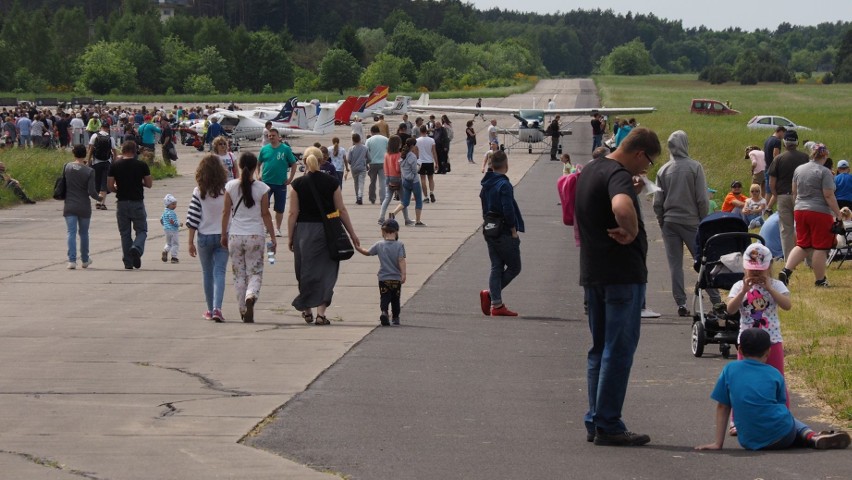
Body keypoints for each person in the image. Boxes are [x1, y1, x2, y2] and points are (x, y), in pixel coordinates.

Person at [576, 127, 660, 447]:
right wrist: (633, 229)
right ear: (639, 153)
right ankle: (609, 422)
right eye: (648, 162)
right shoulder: (619, 174)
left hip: (594, 272)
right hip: (621, 276)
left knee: (599, 348)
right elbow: (621, 208)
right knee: (619, 350)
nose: (645, 169)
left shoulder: (591, 170)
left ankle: (595, 418)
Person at [695, 328, 850, 451]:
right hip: (783, 436)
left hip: (749, 441)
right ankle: (811, 436)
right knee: (789, 422)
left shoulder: (729, 370)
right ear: (769, 351)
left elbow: (723, 406)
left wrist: (718, 443)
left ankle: (809, 438)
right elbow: (781, 406)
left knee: (783, 425)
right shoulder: (774, 373)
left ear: (740, 349)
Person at [288, 147, 360, 326]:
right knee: (327, 272)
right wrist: (352, 234)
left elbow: (293, 213)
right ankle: (321, 313)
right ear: (322, 161)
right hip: (327, 231)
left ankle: (306, 310)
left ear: (304, 161)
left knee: (304, 270)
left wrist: (290, 237)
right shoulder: (331, 182)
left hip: (304, 232)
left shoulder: (297, 185)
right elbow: (341, 210)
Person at [653, 130, 713, 317]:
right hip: (691, 221)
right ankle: (716, 300)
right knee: (704, 261)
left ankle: (681, 302)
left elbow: (657, 202)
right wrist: (704, 220)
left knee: (675, 264)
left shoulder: (663, 170)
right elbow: (702, 198)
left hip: (670, 221)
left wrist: (662, 220)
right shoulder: (695, 167)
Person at [221, 152, 276, 323]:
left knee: (239, 274)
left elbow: (225, 212)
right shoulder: (262, 188)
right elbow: (266, 214)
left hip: (235, 234)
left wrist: (224, 234)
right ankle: (251, 295)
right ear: (255, 167)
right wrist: (273, 237)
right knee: (255, 272)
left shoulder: (230, 186)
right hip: (255, 235)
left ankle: (243, 310)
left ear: (239, 166)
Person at [778, 143, 843, 287]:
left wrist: (798, 207)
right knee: (821, 247)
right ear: (825, 155)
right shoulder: (824, 172)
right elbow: (828, 195)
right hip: (819, 212)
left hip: (800, 210)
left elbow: (794, 192)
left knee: (803, 244)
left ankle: (786, 271)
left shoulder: (799, 169)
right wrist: (838, 214)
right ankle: (820, 280)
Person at [478, 151, 524, 317]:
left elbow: (483, 205)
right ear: (506, 164)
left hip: (490, 228)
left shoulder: (486, 183)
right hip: (503, 229)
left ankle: (496, 304)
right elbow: (508, 209)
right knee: (514, 267)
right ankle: (492, 295)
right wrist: (513, 230)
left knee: (496, 266)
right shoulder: (504, 185)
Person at [186, 155, 230, 323]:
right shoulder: (226, 190)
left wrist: (190, 242)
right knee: (220, 272)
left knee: (207, 273)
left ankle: (210, 309)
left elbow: (193, 218)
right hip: (223, 235)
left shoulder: (199, 191)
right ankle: (218, 308)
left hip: (204, 236)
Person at [107, 141, 152, 269]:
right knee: (142, 230)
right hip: (137, 202)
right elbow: (149, 184)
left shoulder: (115, 166)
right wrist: (139, 183)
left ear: (123, 150)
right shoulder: (141, 165)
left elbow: (110, 185)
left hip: (121, 202)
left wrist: (118, 190)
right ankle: (136, 247)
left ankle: (128, 262)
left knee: (125, 233)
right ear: (134, 151)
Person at [355, 218, 407, 326]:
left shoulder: (379, 244)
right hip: (396, 279)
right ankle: (396, 317)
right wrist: (403, 274)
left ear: (383, 232)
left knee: (384, 296)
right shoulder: (399, 245)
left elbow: (368, 252)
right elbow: (401, 260)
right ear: (396, 231)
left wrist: (358, 248)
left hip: (383, 278)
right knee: (395, 299)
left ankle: (384, 312)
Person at [767, 129, 809, 259]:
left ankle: (789, 259)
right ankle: (808, 258)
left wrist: (775, 194)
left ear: (784, 143)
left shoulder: (778, 159)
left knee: (786, 229)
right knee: (804, 228)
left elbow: (771, 182)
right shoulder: (805, 157)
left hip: (783, 196)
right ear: (797, 142)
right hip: (801, 197)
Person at [62, 145, 102, 269]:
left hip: (69, 204)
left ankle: (72, 260)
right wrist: (99, 198)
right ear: (85, 154)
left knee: (71, 232)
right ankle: (85, 259)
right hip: (84, 205)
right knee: (84, 233)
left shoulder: (67, 167)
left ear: (74, 153)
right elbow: (91, 191)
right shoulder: (89, 171)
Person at [257, 128, 298, 237]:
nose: (271, 137)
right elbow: (258, 163)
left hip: (280, 183)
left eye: (273, 135)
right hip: (266, 183)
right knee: (264, 207)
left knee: (279, 208)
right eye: (269, 136)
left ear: (278, 136)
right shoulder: (264, 149)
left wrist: (290, 179)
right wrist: (258, 175)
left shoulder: (285, 149)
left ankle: (277, 228)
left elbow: (294, 164)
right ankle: (267, 227)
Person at [390, 137, 425, 226]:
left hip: (405, 180)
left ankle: (393, 213)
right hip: (414, 181)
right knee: (419, 201)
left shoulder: (402, 155)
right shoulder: (412, 156)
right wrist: (419, 165)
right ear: (412, 146)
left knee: (405, 201)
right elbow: (414, 170)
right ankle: (418, 221)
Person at [88, 123, 117, 211]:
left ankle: (97, 201)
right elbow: (114, 152)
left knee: (97, 182)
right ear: (108, 128)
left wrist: (88, 160)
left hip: (96, 162)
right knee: (104, 184)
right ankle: (102, 203)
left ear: (101, 128)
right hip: (107, 162)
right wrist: (114, 163)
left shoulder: (94, 136)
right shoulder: (110, 138)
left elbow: (90, 149)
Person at [378, 135, 402, 224]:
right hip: (398, 178)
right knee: (403, 201)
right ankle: (407, 219)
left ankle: (381, 217)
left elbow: (385, 167)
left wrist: (387, 177)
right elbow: (397, 169)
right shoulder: (398, 155)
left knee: (387, 198)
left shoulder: (386, 155)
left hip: (388, 177)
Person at [365, 125, 388, 205]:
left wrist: (366, 163)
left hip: (372, 163)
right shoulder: (385, 139)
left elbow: (366, 152)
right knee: (382, 181)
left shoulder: (369, 140)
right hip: (383, 163)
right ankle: (383, 199)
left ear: (371, 132)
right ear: (379, 131)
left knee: (372, 182)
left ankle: (372, 198)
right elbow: (388, 151)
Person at [416, 125, 438, 203]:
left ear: (420, 131)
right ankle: (431, 192)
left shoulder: (417, 140)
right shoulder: (431, 140)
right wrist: (436, 163)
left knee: (423, 180)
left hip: (421, 162)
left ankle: (425, 197)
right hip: (429, 161)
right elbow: (434, 152)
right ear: (426, 131)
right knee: (431, 178)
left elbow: (416, 152)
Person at [763, 126, 786, 197]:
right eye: (784, 134)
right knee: (774, 191)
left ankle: (766, 207)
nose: (784, 136)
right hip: (773, 169)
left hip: (766, 167)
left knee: (768, 191)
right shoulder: (777, 141)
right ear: (780, 131)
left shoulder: (767, 140)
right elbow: (775, 155)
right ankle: (768, 207)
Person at [348, 133, 368, 204]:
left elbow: (349, 160)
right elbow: (369, 158)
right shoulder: (365, 148)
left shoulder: (351, 149)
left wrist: (352, 163)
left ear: (353, 140)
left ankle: (357, 197)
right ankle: (360, 196)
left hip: (354, 168)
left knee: (356, 183)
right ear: (360, 139)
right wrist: (366, 163)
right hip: (362, 167)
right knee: (361, 182)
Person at [160, 194, 180, 264]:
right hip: (173, 230)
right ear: (168, 205)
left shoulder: (164, 212)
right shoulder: (172, 213)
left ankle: (165, 251)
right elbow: (173, 222)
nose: (175, 206)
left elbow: (161, 220)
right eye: (173, 204)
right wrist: (179, 224)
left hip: (166, 230)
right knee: (175, 243)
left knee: (168, 243)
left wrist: (164, 225)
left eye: (175, 204)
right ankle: (174, 257)